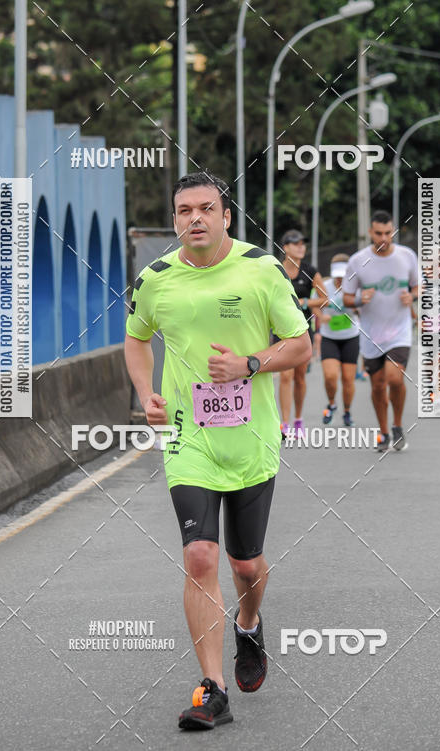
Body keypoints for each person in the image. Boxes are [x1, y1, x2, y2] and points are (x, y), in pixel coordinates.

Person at [124, 171, 311, 730]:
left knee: (245, 563)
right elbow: (135, 339)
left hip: (251, 438)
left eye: (207, 208)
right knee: (200, 557)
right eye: (185, 211)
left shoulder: (261, 269)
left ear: (226, 216)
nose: (196, 219)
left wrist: (249, 364)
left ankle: (249, 626)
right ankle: (212, 688)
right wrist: (146, 396)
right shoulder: (156, 278)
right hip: (188, 437)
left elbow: (299, 344)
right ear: (175, 219)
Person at [342, 210, 419, 452]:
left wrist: (412, 296)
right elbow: (345, 298)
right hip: (371, 335)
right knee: (377, 386)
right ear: (370, 232)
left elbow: (418, 286)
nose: (383, 238)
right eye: (378, 233)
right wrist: (359, 299)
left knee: (395, 378)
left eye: (388, 233)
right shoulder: (357, 261)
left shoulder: (407, 256)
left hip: (400, 331)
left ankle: (397, 425)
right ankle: (384, 432)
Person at [277, 230, 327, 436]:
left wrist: (304, 302)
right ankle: (285, 423)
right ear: (285, 248)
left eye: (303, 244)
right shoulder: (276, 270)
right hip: (280, 330)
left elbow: (325, 299)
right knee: (285, 375)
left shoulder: (310, 271)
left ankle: (298, 419)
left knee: (299, 377)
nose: (301, 247)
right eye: (296, 244)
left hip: (303, 329)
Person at [319, 254, 361, 426]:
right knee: (330, 376)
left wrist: (358, 310)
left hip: (350, 337)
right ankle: (332, 404)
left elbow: (363, 306)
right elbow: (315, 304)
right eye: (337, 275)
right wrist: (320, 316)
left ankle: (347, 411)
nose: (339, 279)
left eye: (342, 275)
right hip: (329, 337)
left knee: (348, 379)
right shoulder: (325, 287)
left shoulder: (355, 288)